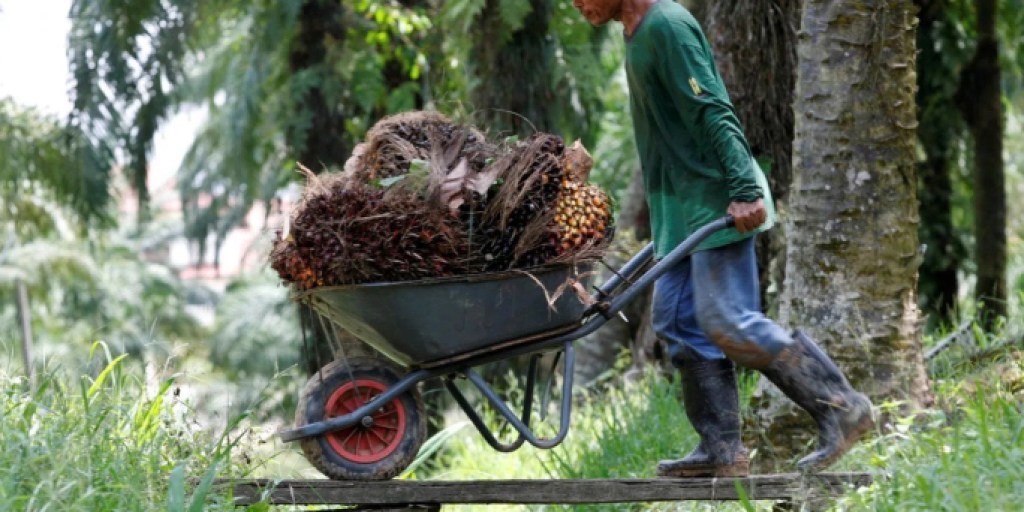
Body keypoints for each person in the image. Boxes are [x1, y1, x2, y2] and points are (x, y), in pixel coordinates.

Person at [571, 0, 874, 477]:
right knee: (677, 321)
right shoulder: (637, 33)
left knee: (728, 320)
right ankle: (721, 449)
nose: (574, 2)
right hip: (681, 211)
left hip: (717, 198)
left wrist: (745, 189)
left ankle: (841, 405)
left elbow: (712, 108)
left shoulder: (667, 26)